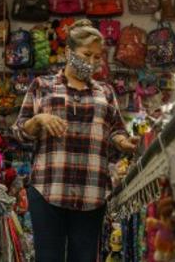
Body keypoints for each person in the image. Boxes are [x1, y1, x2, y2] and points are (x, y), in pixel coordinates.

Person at [13, 19, 139, 262]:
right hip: (49, 187)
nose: (91, 62)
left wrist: (124, 143)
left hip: (92, 192)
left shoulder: (105, 92)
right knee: (48, 258)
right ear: (69, 52)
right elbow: (19, 131)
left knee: (84, 257)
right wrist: (38, 120)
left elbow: (115, 131)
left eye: (97, 57)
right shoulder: (43, 86)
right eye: (86, 54)